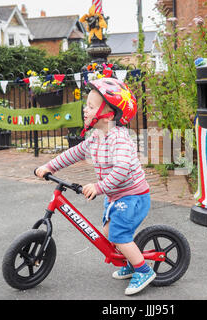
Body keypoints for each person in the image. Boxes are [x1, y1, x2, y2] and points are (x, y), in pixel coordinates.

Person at [35, 77, 155, 295]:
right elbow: (74, 153)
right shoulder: (96, 137)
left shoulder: (119, 138)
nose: (85, 110)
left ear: (108, 113)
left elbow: (122, 170)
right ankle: (130, 261)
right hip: (117, 196)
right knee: (109, 232)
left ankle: (144, 270)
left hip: (133, 197)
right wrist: (48, 166)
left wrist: (99, 187)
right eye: (86, 105)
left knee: (117, 234)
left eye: (90, 106)